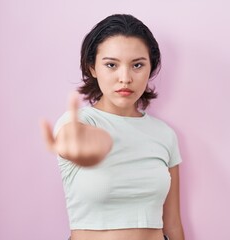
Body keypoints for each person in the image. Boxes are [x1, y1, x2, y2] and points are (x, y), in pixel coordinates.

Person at [40, 14, 185, 240]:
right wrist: (88, 148)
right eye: (111, 65)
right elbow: (71, 139)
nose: (125, 78)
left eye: (137, 65)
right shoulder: (78, 123)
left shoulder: (165, 135)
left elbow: (173, 223)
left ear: (151, 68)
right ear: (93, 68)